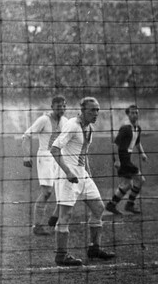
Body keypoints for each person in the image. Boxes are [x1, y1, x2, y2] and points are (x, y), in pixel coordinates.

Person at [49, 97, 116, 267]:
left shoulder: (89, 128)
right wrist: (68, 172)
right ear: (83, 110)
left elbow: (84, 153)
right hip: (67, 175)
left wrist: (88, 175)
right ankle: (61, 256)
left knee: (98, 208)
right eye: (92, 110)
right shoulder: (72, 125)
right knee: (65, 216)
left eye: (97, 110)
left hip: (82, 175)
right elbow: (54, 149)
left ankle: (94, 248)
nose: (96, 113)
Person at [20, 95, 67, 236]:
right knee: (47, 192)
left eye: (64, 106)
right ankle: (37, 226)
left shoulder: (65, 121)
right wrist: (26, 155)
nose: (62, 109)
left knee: (64, 189)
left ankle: (54, 219)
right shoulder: (44, 120)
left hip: (59, 157)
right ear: (52, 107)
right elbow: (26, 135)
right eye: (59, 107)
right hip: (45, 157)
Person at [106, 104, 148, 215]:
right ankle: (129, 204)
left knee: (127, 184)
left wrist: (142, 154)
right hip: (122, 158)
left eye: (136, 113)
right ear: (128, 114)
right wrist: (117, 160)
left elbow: (137, 142)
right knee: (140, 180)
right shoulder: (125, 128)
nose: (135, 115)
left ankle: (111, 205)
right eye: (132, 113)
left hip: (127, 157)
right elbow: (115, 144)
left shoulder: (137, 128)